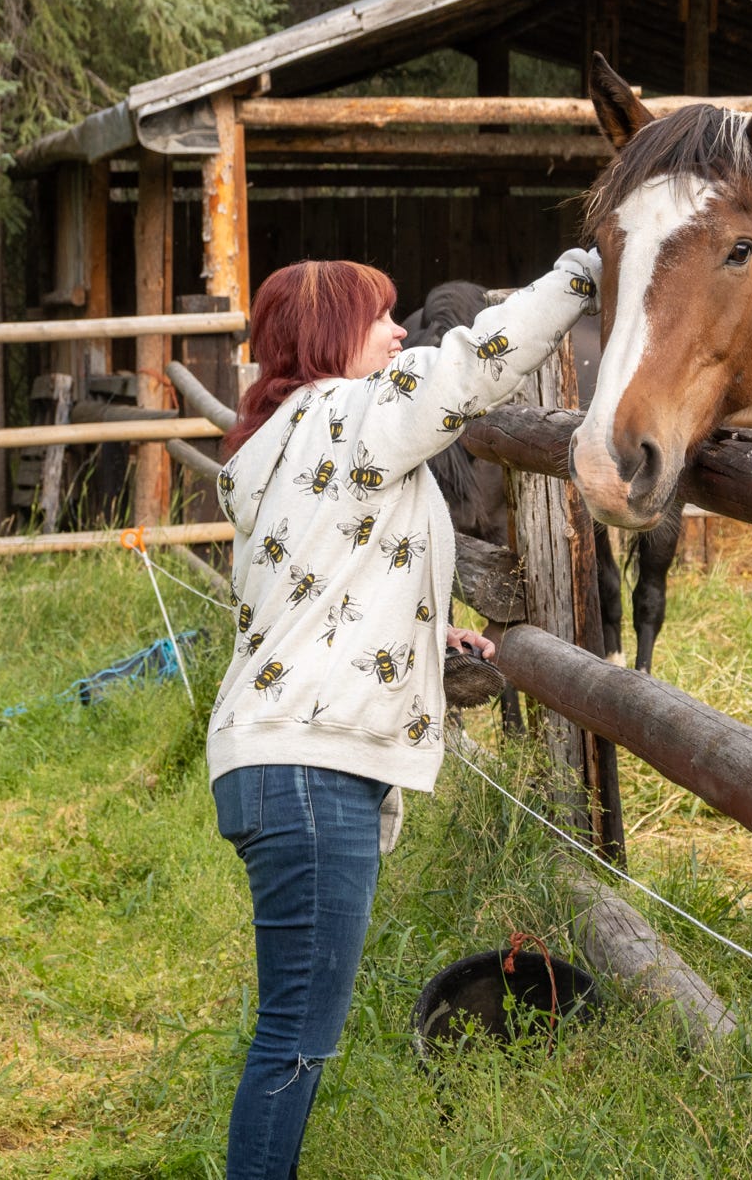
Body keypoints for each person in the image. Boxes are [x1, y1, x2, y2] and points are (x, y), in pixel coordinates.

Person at [208, 248, 600, 1179]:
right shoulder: (357, 416)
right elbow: (475, 361)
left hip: (269, 759)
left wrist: (429, 642)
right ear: (330, 338)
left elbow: (323, 585)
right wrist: (586, 272)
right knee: (296, 1039)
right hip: (311, 772)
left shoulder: (266, 446)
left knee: (294, 1030)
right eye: (379, 319)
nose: (398, 334)